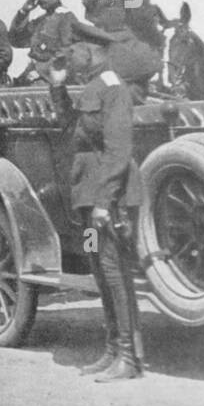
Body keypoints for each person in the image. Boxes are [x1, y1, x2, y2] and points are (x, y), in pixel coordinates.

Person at [48, 22, 146, 382]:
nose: (68, 56)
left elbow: (119, 150)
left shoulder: (112, 87)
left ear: (92, 50)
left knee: (114, 272)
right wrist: (57, 86)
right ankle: (111, 351)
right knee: (101, 273)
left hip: (109, 196)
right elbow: (70, 127)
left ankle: (129, 359)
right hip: (89, 195)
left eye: (73, 50)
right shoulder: (92, 86)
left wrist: (106, 202)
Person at [9, 0, 78, 84]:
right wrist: (24, 12)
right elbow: (16, 40)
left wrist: (40, 72)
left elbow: (67, 53)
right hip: (33, 75)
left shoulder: (66, 17)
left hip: (52, 79)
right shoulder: (41, 21)